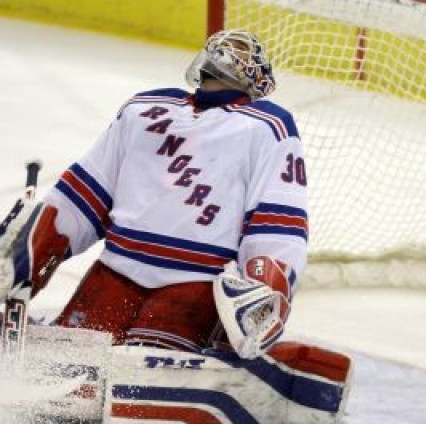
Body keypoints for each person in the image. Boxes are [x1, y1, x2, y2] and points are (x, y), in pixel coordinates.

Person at [0, 29, 351, 421]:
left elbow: (275, 222)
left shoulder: (266, 126)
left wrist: (266, 289)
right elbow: (85, 195)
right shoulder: (144, 109)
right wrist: (26, 253)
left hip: (193, 288)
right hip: (115, 273)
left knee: (133, 387)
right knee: (61, 382)